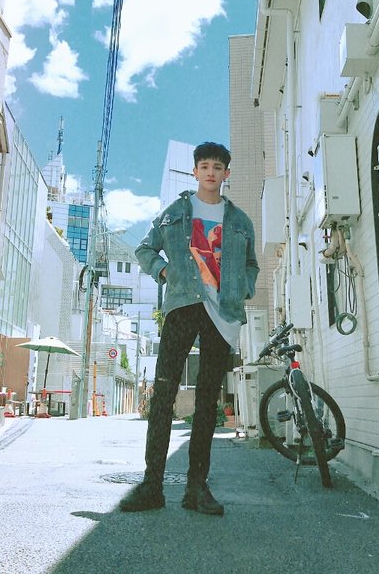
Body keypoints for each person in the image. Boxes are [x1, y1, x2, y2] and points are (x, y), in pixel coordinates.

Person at [119, 141, 259, 516]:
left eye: (218, 167)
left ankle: (197, 487)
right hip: (183, 307)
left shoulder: (240, 221)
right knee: (163, 394)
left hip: (222, 314)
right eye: (205, 166)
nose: (211, 172)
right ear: (195, 172)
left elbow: (251, 264)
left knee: (207, 400)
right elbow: (145, 249)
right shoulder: (176, 213)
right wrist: (164, 271)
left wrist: (243, 288)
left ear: (226, 173)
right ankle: (152, 486)